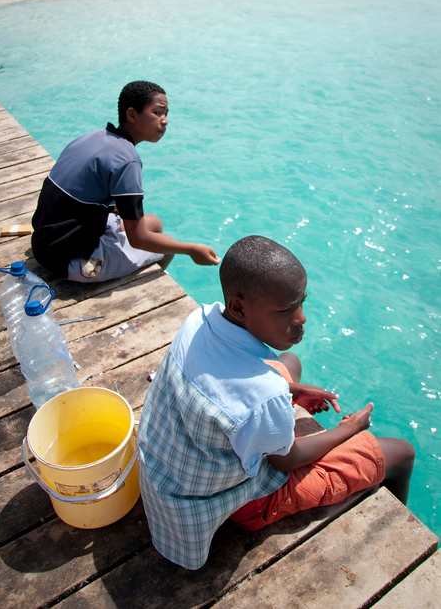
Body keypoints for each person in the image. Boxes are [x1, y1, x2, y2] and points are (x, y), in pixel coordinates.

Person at [138, 235, 415, 570]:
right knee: (401, 453)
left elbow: (233, 392)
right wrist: (350, 429)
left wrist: (291, 389)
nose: (301, 318)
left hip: (163, 473)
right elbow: (286, 462)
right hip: (236, 501)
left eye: (301, 302)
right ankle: (401, 545)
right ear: (239, 307)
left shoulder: (196, 322)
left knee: (290, 360)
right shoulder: (263, 396)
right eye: (286, 310)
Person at [31, 81, 220, 283]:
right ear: (132, 115)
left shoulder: (93, 138)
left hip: (45, 241)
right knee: (168, 247)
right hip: (69, 258)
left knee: (154, 222)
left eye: (166, 114)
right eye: (157, 113)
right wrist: (192, 250)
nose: (164, 121)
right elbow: (138, 239)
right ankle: (139, 294)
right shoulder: (127, 160)